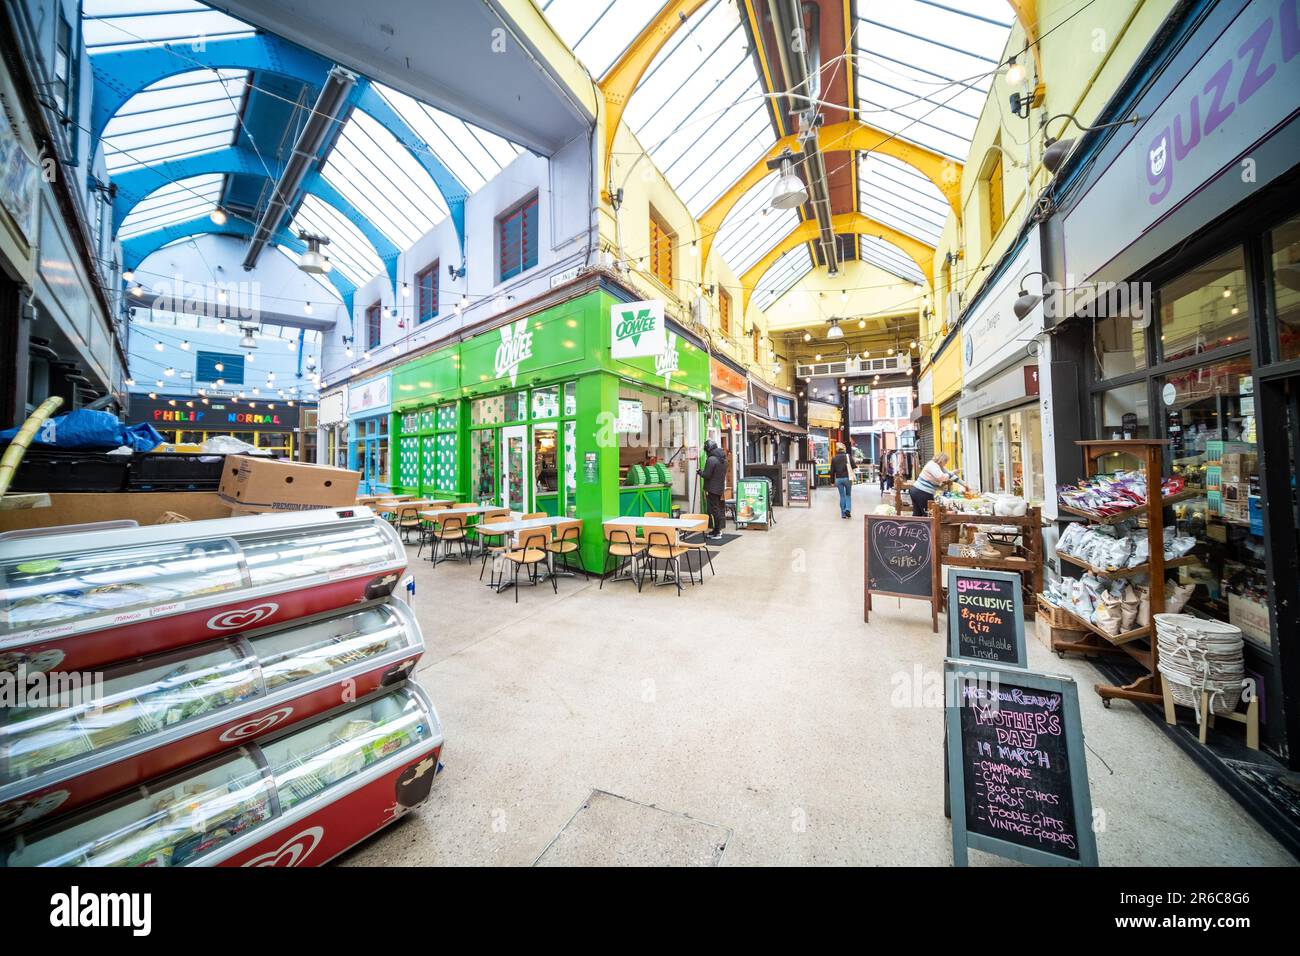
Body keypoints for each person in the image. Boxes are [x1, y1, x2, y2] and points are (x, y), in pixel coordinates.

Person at [911, 452, 956, 517]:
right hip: (923, 492)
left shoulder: (940, 467)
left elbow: (951, 475)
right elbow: (941, 477)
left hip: (917, 490)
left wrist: (964, 484)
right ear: (942, 460)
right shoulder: (932, 465)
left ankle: (914, 526)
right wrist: (952, 473)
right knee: (928, 514)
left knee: (918, 514)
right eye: (945, 462)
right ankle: (926, 527)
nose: (945, 464)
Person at [701, 439, 727, 539]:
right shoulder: (722, 459)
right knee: (717, 509)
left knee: (714, 510)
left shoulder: (711, 459)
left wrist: (700, 472)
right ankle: (716, 530)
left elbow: (707, 475)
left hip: (712, 488)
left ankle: (717, 532)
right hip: (719, 488)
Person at [830, 442, 854, 519]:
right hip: (847, 478)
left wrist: (832, 482)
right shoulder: (848, 456)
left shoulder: (834, 458)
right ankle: (847, 509)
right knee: (848, 495)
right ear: (844, 449)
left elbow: (832, 471)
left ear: (837, 449)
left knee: (842, 496)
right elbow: (853, 466)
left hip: (838, 479)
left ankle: (843, 514)